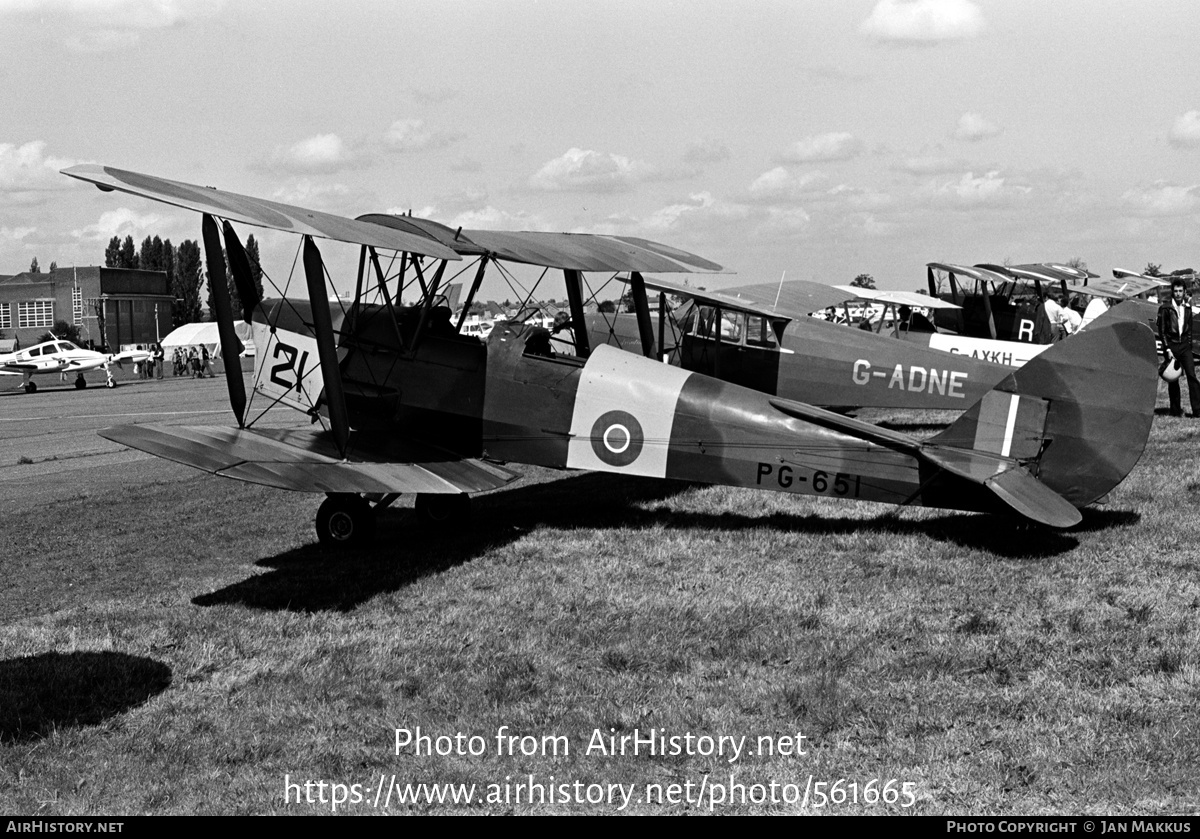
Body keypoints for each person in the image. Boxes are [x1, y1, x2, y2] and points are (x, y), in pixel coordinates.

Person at [1157, 278, 1200, 418]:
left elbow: (1189, 330)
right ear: (1172, 292)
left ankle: (1197, 410)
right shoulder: (1165, 309)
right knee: (1173, 379)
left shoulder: (1187, 308)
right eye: (1175, 291)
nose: (1178, 294)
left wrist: (1189, 347)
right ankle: (1175, 411)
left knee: (1192, 376)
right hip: (1172, 345)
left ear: (1184, 292)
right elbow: (1162, 331)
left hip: (1185, 346)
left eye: (1180, 291)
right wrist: (1167, 349)